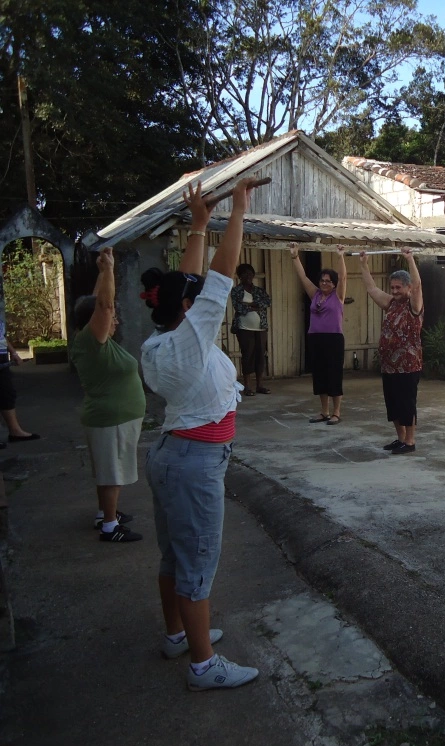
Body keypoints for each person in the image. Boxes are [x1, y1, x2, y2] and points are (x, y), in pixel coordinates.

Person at [140, 176, 261, 690]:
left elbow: (188, 283)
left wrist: (198, 225)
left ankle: (177, 635)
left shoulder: (161, 341)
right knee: (197, 564)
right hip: (194, 464)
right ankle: (203, 665)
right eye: (192, 298)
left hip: (174, 456)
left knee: (175, 555)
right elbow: (218, 276)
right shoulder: (190, 340)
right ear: (187, 310)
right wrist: (237, 211)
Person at [69, 247, 146, 542]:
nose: (116, 320)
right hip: (111, 419)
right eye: (112, 316)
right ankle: (110, 527)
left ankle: (105, 514)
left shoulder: (91, 340)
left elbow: (96, 303)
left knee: (107, 470)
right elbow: (102, 306)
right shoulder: (92, 341)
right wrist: (111, 270)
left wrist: (102, 273)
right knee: (113, 473)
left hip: (112, 418)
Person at [358, 247, 423, 454]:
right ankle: (401, 438)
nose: (394, 291)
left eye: (398, 288)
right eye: (392, 287)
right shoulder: (391, 303)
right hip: (389, 366)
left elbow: (418, 285)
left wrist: (410, 260)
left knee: (406, 404)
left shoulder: (414, 305)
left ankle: (410, 441)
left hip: (408, 366)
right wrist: (364, 265)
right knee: (393, 405)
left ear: (408, 288)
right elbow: (372, 289)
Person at [289, 242, 347, 425]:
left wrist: (340, 256)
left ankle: (336, 412)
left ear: (334, 284)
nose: (324, 283)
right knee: (320, 375)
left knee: (334, 375)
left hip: (333, 339)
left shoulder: (338, 296)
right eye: (322, 280)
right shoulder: (315, 294)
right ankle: (324, 411)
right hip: (315, 338)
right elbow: (303, 277)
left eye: (328, 281)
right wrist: (295, 256)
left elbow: (343, 277)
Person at [230, 263, 272, 396]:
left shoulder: (259, 290)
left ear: (253, 275)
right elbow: (239, 308)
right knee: (247, 355)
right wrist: (256, 306)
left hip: (261, 328)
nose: (247, 276)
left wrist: (249, 304)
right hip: (244, 328)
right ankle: (247, 386)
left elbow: (267, 302)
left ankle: (260, 385)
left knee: (260, 355)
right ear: (239, 276)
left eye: (250, 273)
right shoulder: (236, 291)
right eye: (244, 274)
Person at [0, 333, 40, 449]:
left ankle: (15, 431)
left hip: (1, 353)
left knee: (7, 393)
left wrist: (13, 352)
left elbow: (1, 335)